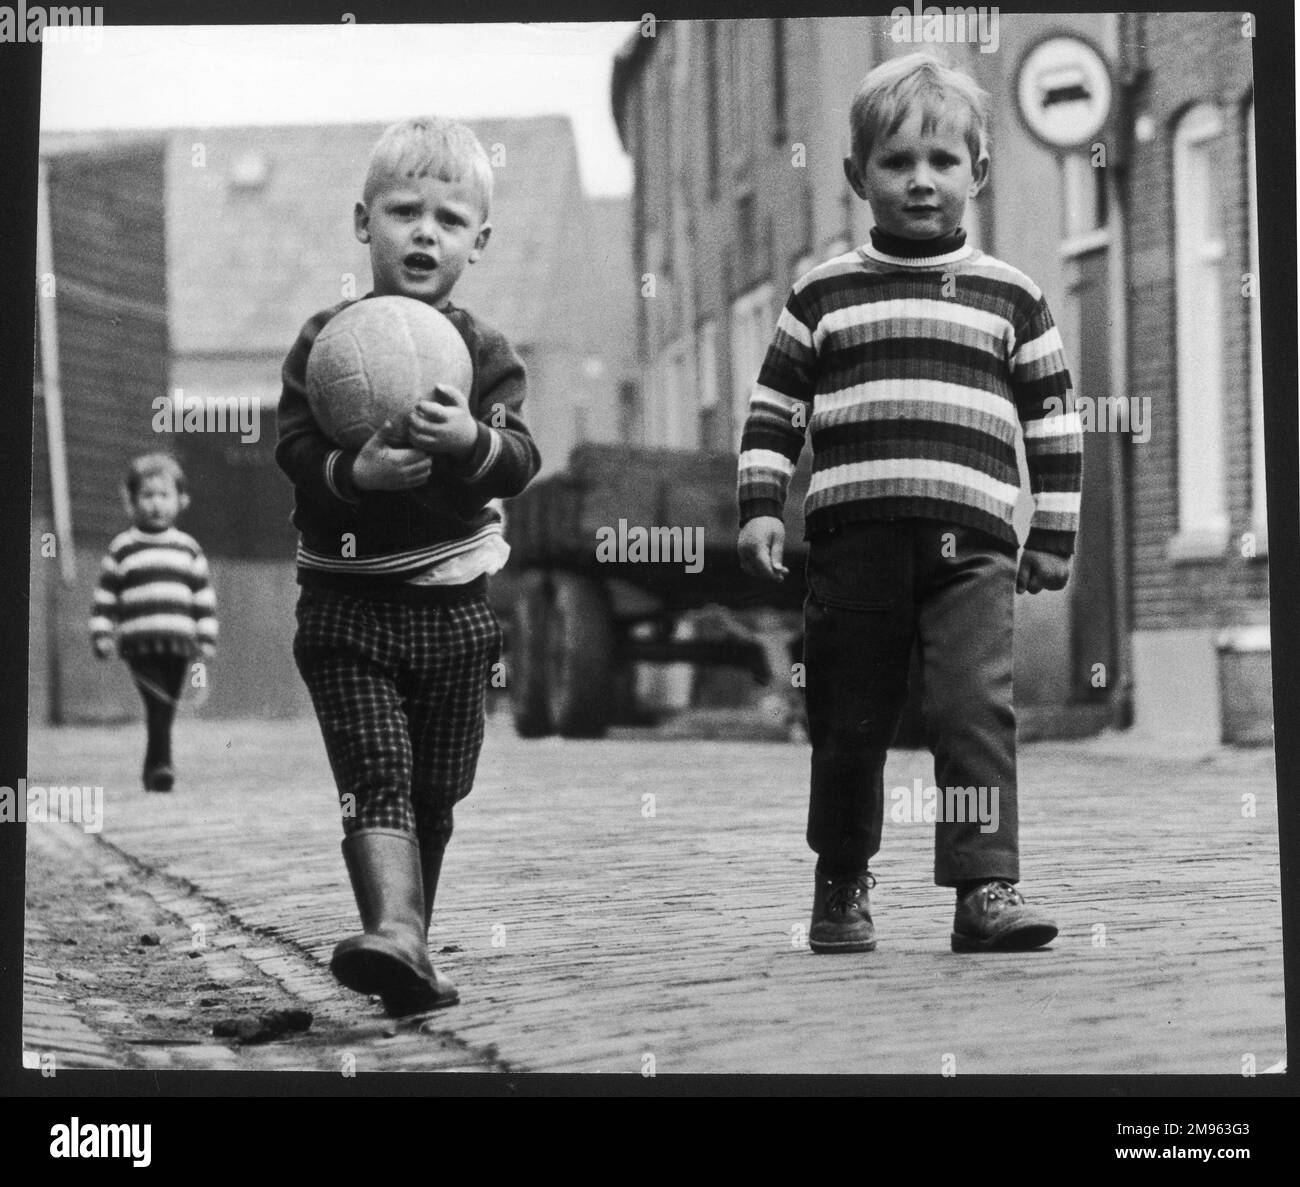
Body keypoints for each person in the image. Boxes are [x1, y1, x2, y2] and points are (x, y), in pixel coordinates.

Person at [737, 53, 1083, 954]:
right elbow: (775, 410)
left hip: (972, 547)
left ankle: (985, 884)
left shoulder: (1013, 295)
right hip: (854, 547)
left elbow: (1053, 420)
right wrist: (762, 504)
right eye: (896, 163)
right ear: (858, 176)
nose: (920, 181)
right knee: (849, 717)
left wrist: (1051, 532)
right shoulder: (822, 293)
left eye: (940, 162)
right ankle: (842, 878)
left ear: (977, 171)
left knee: (973, 709)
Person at [276, 117, 540, 1015]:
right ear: (364, 223)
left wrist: (472, 438)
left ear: (479, 240)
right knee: (377, 768)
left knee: (437, 785)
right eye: (402, 212)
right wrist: (354, 471)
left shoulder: (487, 355)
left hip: (456, 608)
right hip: (347, 608)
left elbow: (519, 459)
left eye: (450, 218)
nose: (424, 232)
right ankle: (393, 930)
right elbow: (294, 451)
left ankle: (409, 944)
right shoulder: (326, 343)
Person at [90, 453, 218, 793]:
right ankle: (162, 766)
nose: (156, 504)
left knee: (166, 706)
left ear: (181, 500)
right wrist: (102, 634)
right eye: (147, 496)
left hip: (178, 643)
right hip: (140, 643)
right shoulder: (123, 548)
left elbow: (202, 597)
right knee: (158, 703)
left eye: (164, 495)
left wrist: (205, 639)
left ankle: (155, 767)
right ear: (131, 501)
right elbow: (106, 597)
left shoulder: (188, 549)